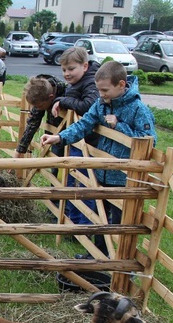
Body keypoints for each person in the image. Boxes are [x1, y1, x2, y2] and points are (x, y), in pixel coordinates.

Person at [40, 61, 157, 254]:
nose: (101, 94)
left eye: (105, 90)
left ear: (121, 85)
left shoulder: (138, 110)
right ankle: (96, 256)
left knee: (119, 224)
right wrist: (60, 137)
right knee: (100, 219)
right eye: (99, 90)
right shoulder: (101, 104)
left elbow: (150, 140)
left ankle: (120, 265)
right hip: (102, 173)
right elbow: (84, 124)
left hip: (123, 178)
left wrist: (119, 127)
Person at [52, 47, 101, 226]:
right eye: (64, 70)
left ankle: (83, 225)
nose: (66, 73)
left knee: (84, 184)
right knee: (73, 180)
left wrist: (62, 101)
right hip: (79, 141)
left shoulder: (91, 83)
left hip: (89, 144)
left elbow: (89, 105)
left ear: (85, 66)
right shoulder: (80, 82)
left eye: (71, 69)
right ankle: (73, 221)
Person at [12, 73, 67, 158]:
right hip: (55, 134)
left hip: (71, 134)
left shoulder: (67, 92)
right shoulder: (41, 94)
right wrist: (20, 150)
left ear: (51, 97)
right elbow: (33, 123)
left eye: (39, 106)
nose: (37, 108)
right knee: (55, 159)